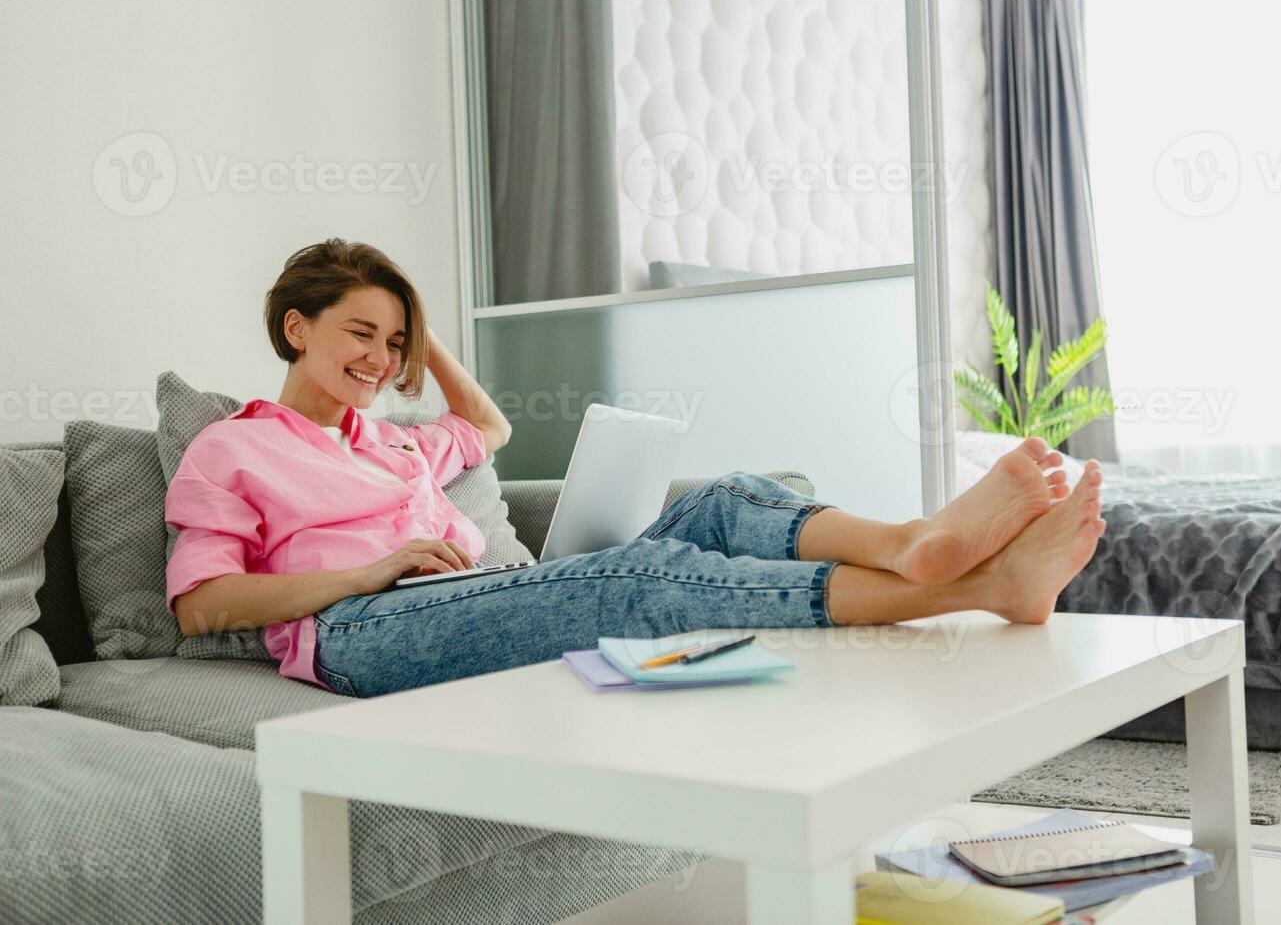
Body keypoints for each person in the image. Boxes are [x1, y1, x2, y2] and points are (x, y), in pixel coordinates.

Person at [164, 239, 1106, 698]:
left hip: (478, 593)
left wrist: (421, 325)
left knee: (728, 496)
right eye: (357, 334)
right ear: (296, 328)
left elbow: (484, 426)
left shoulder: (395, 440)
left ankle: (916, 541)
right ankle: (972, 588)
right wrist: (371, 569)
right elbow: (202, 604)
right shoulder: (232, 447)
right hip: (358, 630)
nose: (378, 358)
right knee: (642, 583)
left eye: (391, 340)